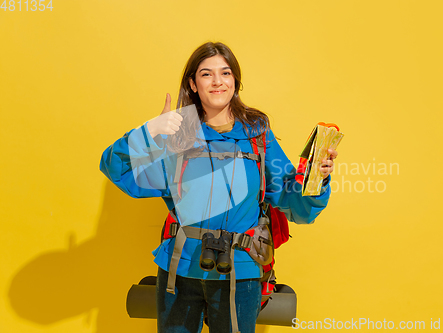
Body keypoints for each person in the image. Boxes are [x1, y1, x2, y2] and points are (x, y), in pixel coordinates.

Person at [100, 41, 338, 333]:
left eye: (225, 73)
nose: (217, 82)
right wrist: (149, 132)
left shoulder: (257, 134)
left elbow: (293, 202)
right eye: (206, 74)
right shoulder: (176, 134)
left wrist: (317, 177)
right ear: (193, 83)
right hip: (180, 267)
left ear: (235, 82)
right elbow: (117, 169)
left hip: (240, 271)